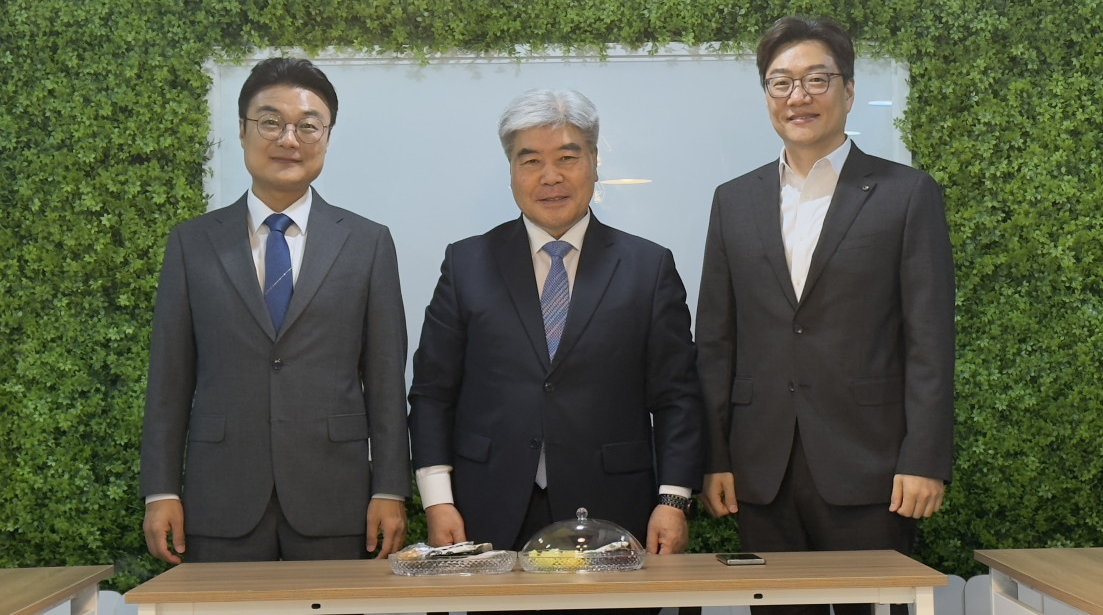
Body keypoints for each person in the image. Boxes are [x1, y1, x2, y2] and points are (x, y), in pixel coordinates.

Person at [697, 16, 955, 615]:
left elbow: (930, 340)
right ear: (767, 95)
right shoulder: (733, 201)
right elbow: (715, 341)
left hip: (872, 469)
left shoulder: (906, 194)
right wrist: (714, 457)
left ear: (849, 90)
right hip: (761, 471)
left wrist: (924, 459)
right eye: (781, 83)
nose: (799, 96)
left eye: (817, 79)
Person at [408, 89, 704, 564]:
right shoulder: (466, 264)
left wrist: (673, 500)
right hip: (484, 506)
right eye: (531, 161)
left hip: (614, 507)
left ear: (594, 162)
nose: (551, 177)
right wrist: (437, 499)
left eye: (568, 157)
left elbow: (677, 398)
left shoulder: (648, 268)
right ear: (511, 170)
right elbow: (432, 392)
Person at [140, 57, 409, 563]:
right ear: (243, 131)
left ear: (327, 137)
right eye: (270, 122)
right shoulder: (192, 243)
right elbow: (169, 379)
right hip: (220, 497)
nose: (289, 139)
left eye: (308, 126)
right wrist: (161, 490)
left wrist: (391, 488)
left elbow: (385, 378)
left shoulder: (368, 243)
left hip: (337, 496)